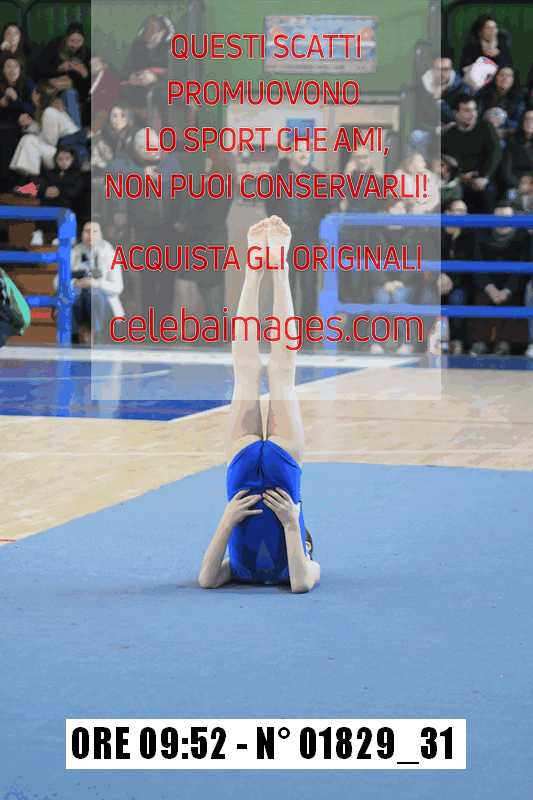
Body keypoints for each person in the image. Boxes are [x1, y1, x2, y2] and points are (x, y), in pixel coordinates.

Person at [198, 216, 320, 593]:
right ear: (307, 547)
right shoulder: (301, 566)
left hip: (242, 475)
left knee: (246, 373)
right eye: (307, 546)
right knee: (281, 375)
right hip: (284, 471)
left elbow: (206, 579)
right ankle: (279, 270)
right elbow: (301, 584)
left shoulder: (239, 570)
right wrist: (290, 522)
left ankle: (254, 270)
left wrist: (227, 521)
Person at [470, 204, 531, 355]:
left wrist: (507, 290)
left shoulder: (524, 238)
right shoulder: (481, 236)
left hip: (513, 284)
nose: (503, 222)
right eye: (498, 218)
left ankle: (505, 344)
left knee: (516, 299)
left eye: (507, 218)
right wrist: (490, 288)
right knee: (479, 298)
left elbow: (522, 270)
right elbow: (477, 265)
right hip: (488, 284)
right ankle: (480, 342)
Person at [57, 220, 124, 345]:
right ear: (82, 234)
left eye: (94, 231)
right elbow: (56, 282)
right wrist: (74, 282)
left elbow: (117, 287)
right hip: (78, 299)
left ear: (101, 234)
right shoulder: (73, 253)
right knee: (73, 299)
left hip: (103, 302)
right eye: (87, 231)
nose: (90, 235)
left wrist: (96, 283)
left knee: (94, 296)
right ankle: (76, 337)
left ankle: (96, 336)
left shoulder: (111, 254)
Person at [443, 94, 501, 212]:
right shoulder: (449, 135)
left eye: (474, 109)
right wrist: (460, 176)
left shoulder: (486, 128)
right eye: (467, 111)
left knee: (488, 194)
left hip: (484, 178)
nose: (473, 114)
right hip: (459, 180)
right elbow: (446, 162)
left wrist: (484, 176)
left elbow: (495, 154)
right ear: (456, 113)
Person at [9, 81, 79, 176]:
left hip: (66, 155)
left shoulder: (49, 112)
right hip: (60, 150)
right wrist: (30, 124)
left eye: (34, 93)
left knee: (29, 140)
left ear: (38, 96)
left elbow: (50, 141)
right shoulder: (48, 110)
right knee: (28, 139)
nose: (31, 96)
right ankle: (27, 176)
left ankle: (31, 178)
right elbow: (45, 133)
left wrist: (34, 135)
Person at [31, 22, 90, 128]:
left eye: (79, 41)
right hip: (51, 90)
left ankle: (76, 133)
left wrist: (84, 73)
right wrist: (59, 68)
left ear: (83, 40)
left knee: (70, 94)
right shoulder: (55, 46)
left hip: (72, 92)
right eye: (72, 41)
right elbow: (38, 68)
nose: (75, 45)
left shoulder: (86, 53)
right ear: (66, 39)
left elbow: (87, 87)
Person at [0, 56, 34, 188]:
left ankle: (11, 182)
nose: (12, 70)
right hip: (4, 122)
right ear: (3, 70)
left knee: (10, 133)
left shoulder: (28, 83)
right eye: (8, 66)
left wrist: (16, 99)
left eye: (16, 67)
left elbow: (34, 107)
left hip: (22, 123)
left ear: (20, 69)